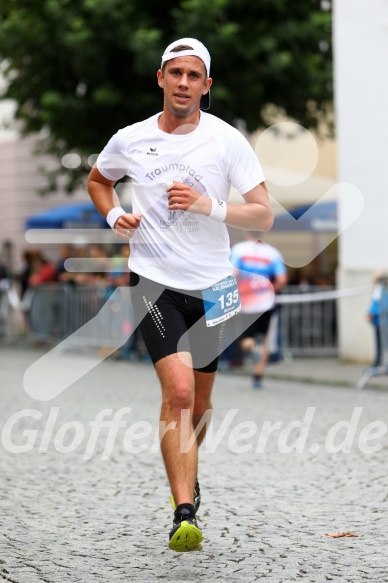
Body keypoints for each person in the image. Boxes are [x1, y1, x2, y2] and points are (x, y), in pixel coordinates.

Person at [87, 38, 273, 552]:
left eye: (194, 75)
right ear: (161, 78)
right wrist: (112, 215)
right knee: (181, 393)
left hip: (215, 286)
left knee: (202, 404)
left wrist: (208, 205)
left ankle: (189, 470)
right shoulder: (131, 138)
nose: (184, 83)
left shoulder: (227, 140)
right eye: (176, 73)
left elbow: (263, 214)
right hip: (153, 281)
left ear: (206, 85)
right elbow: (99, 181)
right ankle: (183, 510)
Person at [230, 232, 287, 389]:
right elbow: (282, 279)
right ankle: (257, 376)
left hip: (245, 303)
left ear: (246, 232)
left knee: (245, 340)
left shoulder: (239, 250)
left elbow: (233, 274)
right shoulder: (273, 253)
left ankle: (253, 347)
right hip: (266, 304)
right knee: (263, 340)